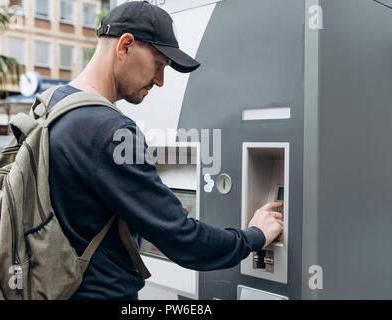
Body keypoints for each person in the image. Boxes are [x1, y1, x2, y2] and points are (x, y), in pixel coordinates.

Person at [47, 1, 283, 300]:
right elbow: (184, 240)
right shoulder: (108, 129)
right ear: (125, 46)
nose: (160, 81)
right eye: (159, 64)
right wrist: (254, 236)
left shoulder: (53, 106)